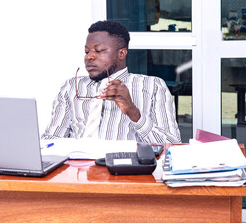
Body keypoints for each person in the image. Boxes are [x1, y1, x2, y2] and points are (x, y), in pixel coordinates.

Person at [42, 20, 181, 143]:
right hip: (79, 169)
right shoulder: (72, 86)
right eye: (86, 52)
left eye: (99, 50)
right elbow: (51, 140)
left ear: (121, 53)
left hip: (125, 169)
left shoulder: (153, 86)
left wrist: (134, 113)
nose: (89, 57)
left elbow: (171, 145)